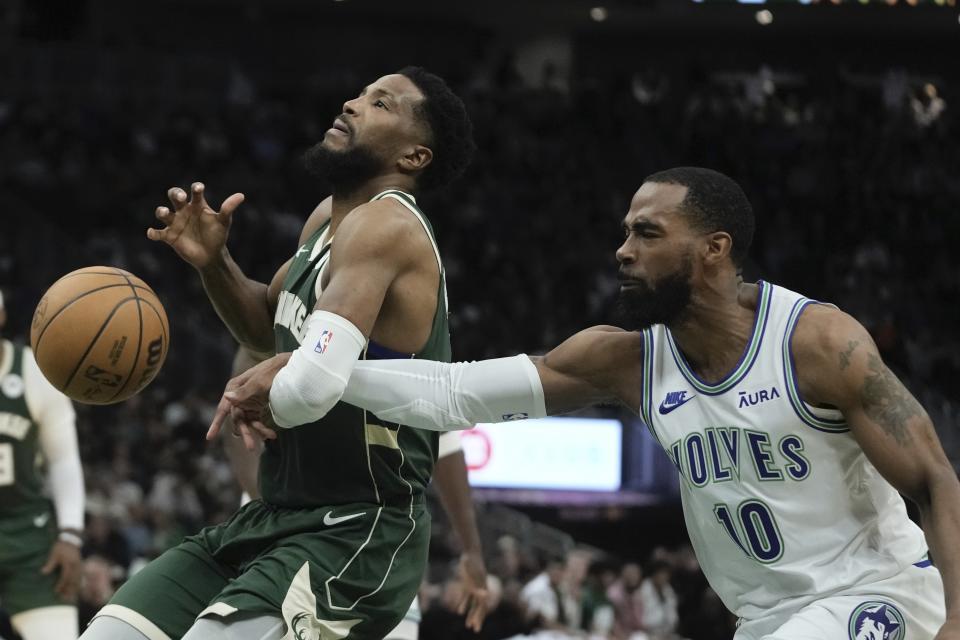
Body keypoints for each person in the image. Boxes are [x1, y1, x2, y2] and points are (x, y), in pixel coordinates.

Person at [219, 167, 960, 639]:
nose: (622, 250)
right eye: (623, 232)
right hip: (767, 618)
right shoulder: (630, 360)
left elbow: (934, 481)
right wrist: (317, 366)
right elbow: (454, 391)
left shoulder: (816, 342)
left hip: (877, 597)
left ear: (715, 249)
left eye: (648, 232)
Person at [82, 66, 475, 640]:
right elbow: (266, 330)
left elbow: (314, 370)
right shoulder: (325, 220)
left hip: (359, 527)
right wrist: (214, 263)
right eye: (360, 94)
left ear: (415, 157)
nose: (352, 103)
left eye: (381, 104)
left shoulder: (391, 226)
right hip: (273, 517)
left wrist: (272, 380)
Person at [220, 346, 489, 639]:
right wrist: (267, 508)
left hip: (373, 534)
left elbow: (444, 439)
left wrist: (472, 551)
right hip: (284, 531)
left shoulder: (402, 329)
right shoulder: (281, 312)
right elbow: (237, 402)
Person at [0, 289, 86, 639]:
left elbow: (64, 461)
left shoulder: (34, 372)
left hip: (28, 535)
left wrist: (70, 535)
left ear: (2, 317)